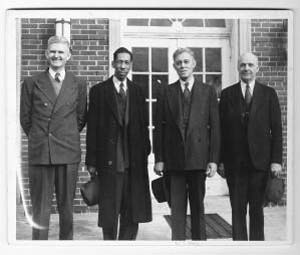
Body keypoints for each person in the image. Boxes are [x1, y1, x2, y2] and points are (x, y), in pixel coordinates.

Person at [20, 35, 87, 240]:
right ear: (46, 54)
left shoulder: (78, 83)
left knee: (66, 209)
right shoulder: (31, 83)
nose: (56, 55)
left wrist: (65, 134)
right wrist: (41, 138)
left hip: (68, 152)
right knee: (40, 210)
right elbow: (25, 118)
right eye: (53, 52)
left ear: (69, 56)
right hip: (41, 152)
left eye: (61, 52)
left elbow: (81, 117)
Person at [153, 47, 220, 240]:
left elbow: (215, 128)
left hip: (199, 160)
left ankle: (199, 246)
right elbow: (159, 129)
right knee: (177, 210)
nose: (182, 66)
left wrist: (213, 159)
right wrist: (159, 159)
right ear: (174, 66)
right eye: (179, 62)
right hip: (174, 162)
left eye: (186, 62)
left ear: (194, 64)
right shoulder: (166, 92)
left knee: (198, 208)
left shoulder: (207, 91)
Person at [85, 47, 152, 240]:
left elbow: (143, 125)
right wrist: (91, 161)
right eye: (119, 62)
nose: (122, 66)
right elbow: (93, 129)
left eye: (126, 62)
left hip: (133, 164)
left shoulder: (138, 91)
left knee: (132, 213)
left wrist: (145, 151)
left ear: (130, 65)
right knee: (110, 212)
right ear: (113, 63)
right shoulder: (99, 91)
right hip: (110, 163)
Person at [218, 52, 283, 241]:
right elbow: (221, 131)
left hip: (260, 164)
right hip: (235, 165)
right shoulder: (227, 94)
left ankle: (257, 248)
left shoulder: (268, 94)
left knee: (257, 211)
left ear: (257, 68)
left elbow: (277, 130)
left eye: (250, 65)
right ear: (238, 68)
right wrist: (220, 160)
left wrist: (276, 161)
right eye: (243, 65)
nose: (246, 68)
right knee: (237, 212)